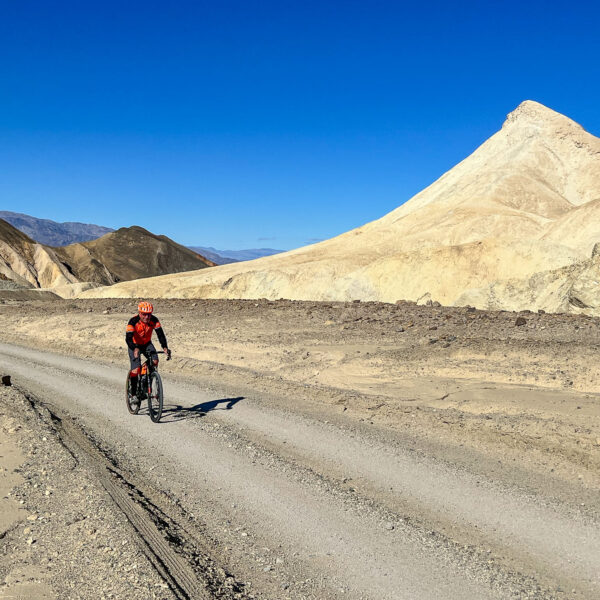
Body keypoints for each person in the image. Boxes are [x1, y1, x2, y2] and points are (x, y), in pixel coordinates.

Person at [126, 301, 171, 398]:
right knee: (135, 369)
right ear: (139, 313)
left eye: (149, 315)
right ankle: (133, 394)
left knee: (154, 361)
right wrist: (134, 348)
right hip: (134, 345)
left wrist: (165, 347)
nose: (146, 317)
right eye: (144, 314)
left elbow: (160, 335)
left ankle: (145, 381)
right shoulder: (133, 321)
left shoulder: (154, 320)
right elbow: (128, 338)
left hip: (146, 344)